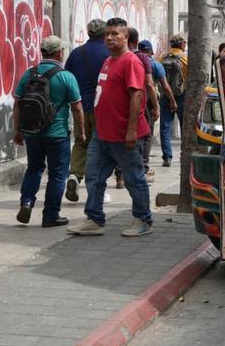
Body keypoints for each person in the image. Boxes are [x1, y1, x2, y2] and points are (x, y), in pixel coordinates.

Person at [68, 17, 154, 238]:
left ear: (126, 37)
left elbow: (137, 95)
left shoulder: (131, 62)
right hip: (102, 133)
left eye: (115, 34)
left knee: (134, 179)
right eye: (107, 33)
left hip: (124, 135)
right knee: (93, 177)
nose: (109, 37)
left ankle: (143, 219)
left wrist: (131, 131)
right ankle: (94, 219)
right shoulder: (108, 60)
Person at [12, 36, 85, 228]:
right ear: (58, 52)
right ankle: (51, 215)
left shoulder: (29, 74)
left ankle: (26, 202)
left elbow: (17, 104)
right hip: (57, 134)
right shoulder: (66, 76)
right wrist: (81, 133)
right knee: (58, 175)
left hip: (32, 132)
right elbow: (77, 108)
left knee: (34, 168)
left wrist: (17, 130)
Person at [63, 19, 110, 203]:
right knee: (100, 148)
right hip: (102, 108)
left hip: (80, 108)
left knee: (81, 142)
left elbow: (67, 77)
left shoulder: (76, 53)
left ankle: (74, 176)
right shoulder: (109, 54)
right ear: (104, 33)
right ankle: (97, 188)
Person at [118, 28, 160, 185]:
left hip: (119, 105)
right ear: (136, 41)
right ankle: (143, 169)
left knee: (120, 138)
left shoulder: (116, 56)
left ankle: (120, 174)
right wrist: (156, 106)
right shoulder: (142, 57)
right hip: (140, 103)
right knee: (145, 135)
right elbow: (149, 84)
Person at [139, 39, 177, 175]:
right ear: (150, 51)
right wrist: (172, 101)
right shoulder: (156, 64)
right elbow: (165, 86)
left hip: (132, 99)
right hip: (149, 101)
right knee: (147, 134)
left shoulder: (132, 60)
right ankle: (144, 166)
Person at [159, 33, 188, 167]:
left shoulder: (162, 59)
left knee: (165, 128)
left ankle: (167, 157)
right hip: (181, 95)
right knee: (184, 127)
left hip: (165, 95)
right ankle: (184, 156)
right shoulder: (186, 59)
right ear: (182, 44)